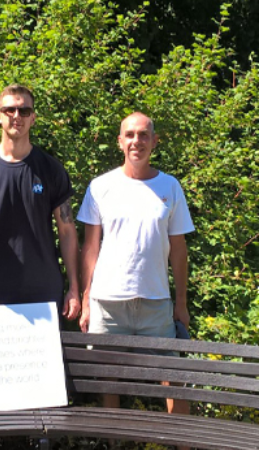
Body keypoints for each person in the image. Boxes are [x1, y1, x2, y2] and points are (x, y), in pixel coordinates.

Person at [77, 112, 194, 445]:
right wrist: (86, 298)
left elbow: (179, 250)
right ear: (119, 141)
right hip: (107, 303)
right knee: (108, 382)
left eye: (143, 135)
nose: (136, 141)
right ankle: (114, 443)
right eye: (129, 135)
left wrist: (181, 302)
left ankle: (181, 442)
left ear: (154, 141)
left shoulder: (169, 186)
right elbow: (90, 248)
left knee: (173, 380)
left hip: (156, 303)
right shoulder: (101, 186)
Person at [0, 84, 80, 322]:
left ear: (33, 118)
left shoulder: (51, 169)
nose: (17, 116)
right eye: (10, 110)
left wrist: (74, 288)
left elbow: (67, 232)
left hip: (42, 290)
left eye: (24, 111)